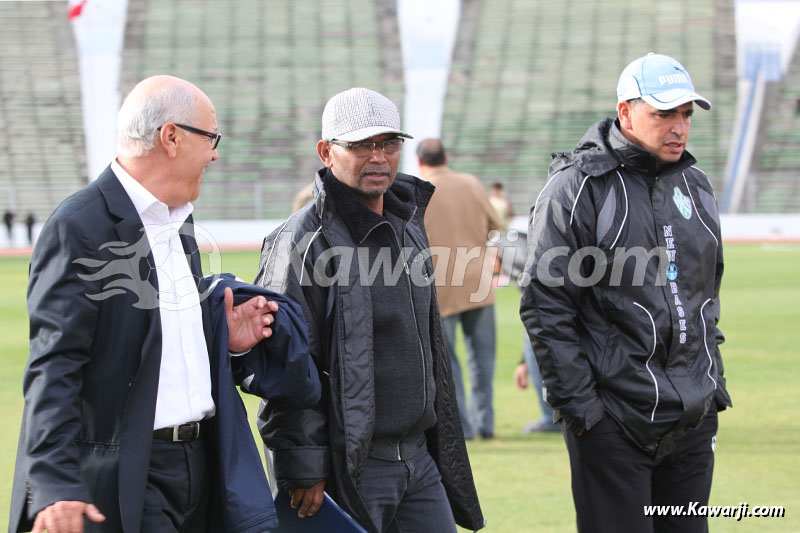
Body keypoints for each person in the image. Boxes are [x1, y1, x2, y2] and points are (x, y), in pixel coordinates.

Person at [9, 75, 320, 533]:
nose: (216, 153)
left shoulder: (179, 222)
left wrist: (223, 336)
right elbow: (54, 366)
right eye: (211, 138)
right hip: (135, 473)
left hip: (200, 466)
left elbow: (160, 342)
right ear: (170, 137)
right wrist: (54, 483)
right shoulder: (79, 227)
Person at [254, 88, 484, 533]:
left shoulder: (409, 227)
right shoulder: (300, 242)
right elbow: (282, 366)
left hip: (418, 458)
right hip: (350, 465)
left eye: (388, 143)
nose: (378, 157)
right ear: (326, 151)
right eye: (360, 145)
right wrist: (301, 464)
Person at [520, 53, 732, 533]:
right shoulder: (576, 187)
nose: (679, 126)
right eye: (663, 113)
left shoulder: (696, 186)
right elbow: (545, 304)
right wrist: (582, 411)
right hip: (613, 423)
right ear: (626, 113)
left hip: (692, 422)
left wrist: (711, 384)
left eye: (686, 114)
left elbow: (705, 298)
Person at [417, 138, 500, 440]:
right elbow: (496, 224)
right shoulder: (471, 183)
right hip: (477, 280)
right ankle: (486, 424)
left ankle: (462, 428)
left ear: (420, 161)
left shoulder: (417, 189)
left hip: (441, 287)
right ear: (447, 157)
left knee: (447, 366)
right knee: (483, 361)